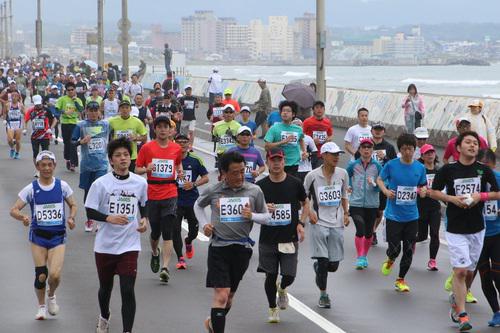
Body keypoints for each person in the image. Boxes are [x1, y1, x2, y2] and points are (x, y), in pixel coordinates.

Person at [194, 151, 270, 333]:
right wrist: (204, 225)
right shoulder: (215, 190)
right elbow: (198, 205)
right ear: (224, 173)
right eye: (235, 172)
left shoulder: (254, 190)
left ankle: (213, 322)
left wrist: (252, 215)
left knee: (229, 297)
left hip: (242, 248)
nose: (240, 176)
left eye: (242, 171)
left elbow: (267, 217)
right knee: (221, 295)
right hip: (219, 248)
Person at [430, 131, 498, 331]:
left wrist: (480, 197)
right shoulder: (448, 170)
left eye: (476, 143)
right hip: (455, 228)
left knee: (469, 273)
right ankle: (462, 314)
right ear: (458, 148)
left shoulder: (483, 170)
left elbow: (497, 192)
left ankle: (455, 298)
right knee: (459, 271)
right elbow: (434, 192)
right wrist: (452, 199)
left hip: (477, 228)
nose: (473, 146)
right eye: (468, 142)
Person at [84, 138, 148, 333]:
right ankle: (104, 316)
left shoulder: (140, 182)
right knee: (105, 289)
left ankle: (127, 330)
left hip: (129, 245)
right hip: (105, 245)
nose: (123, 159)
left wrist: (144, 219)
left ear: (131, 158)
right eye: (118, 156)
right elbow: (90, 211)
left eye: (126, 155)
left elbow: (144, 204)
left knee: (128, 290)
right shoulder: (101, 184)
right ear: (111, 160)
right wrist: (108, 218)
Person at [10, 150, 77, 320]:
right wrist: (23, 217)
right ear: (37, 166)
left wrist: (71, 217)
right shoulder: (31, 189)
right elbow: (14, 210)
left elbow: (73, 204)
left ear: (54, 166)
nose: (46, 168)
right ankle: (41, 307)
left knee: (54, 275)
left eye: (49, 165)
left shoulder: (62, 186)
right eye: (43, 165)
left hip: (58, 237)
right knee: (41, 275)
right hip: (38, 237)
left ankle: (52, 294)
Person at [256, 148, 309, 323]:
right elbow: (254, 211)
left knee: (289, 275)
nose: (276, 163)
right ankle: (272, 308)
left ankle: (283, 288)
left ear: (284, 161)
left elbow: (305, 202)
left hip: (289, 238)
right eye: (273, 160)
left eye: (279, 160)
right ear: (268, 162)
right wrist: (264, 209)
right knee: (270, 276)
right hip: (268, 239)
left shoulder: (295, 183)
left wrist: (301, 223)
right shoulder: (260, 186)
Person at [376, 133, 427, 292]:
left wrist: (423, 191)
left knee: (409, 249)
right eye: (404, 149)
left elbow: (423, 185)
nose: (407, 152)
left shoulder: (420, 167)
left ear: (414, 149)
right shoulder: (391, 165)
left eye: (410, 149)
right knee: (395, 249)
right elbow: (379, 179)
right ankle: (391, 258)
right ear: (400, 150)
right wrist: (385, 191)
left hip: (412, 216)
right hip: (393, 215)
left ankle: (401, 279)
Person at [135, 116, 183, 283]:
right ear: (154, 129)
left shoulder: (176, 148)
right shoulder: (147, 148)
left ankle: (165, 267)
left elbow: (178, 164)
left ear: (170, 130)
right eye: (160, 127)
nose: (163, 130)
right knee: (155, 232)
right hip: (152, 193)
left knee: (168, 231)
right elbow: (137, 169)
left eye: (166, 127)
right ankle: (155, 252)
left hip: (170, 192)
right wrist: (146, 168)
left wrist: (180, 170)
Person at [304, 142, 349, 308]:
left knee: (333, 265)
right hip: (318, 222)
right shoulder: (312, 176)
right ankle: (323, 295)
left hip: (336, 222)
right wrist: (310, 213)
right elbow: (304, 196)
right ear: (323, 156)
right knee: (323, 262)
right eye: (333, 154)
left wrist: (346, 213)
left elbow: (344, 195)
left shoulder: (343, 173)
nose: (337, 157)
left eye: (338, 154)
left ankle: (319, 267)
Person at [355, 121, 397, 246]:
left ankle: (372, 231)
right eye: (375, 129)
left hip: (383, 183)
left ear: (384, 131)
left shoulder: (389, 147)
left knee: (379, 210)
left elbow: (394, 165)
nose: (378, 131)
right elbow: (357, 159)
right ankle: (369, 231)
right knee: (367, 208)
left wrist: (384, 158)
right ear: (371, 130)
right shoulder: (366, 144)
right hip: (366, 182)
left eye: (380, 129)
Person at [71, 101, 110, 232]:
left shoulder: (105, 124)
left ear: (99, 111)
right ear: (86, 111)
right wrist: (80, 142)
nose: (93, 113)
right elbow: (71, 142)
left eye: (96, 110)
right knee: (88, 193)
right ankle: (90, 218)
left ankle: (100, 220)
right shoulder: (80, 125)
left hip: (102, 165)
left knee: (101, 192)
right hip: (87, 165)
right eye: (91, 111)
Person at [172, 134, 209, 269]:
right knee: (175, 230)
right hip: (175, 200)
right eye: (179, 142)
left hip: (192, 201)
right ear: (174, 143)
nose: (182, 144)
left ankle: (188, 241)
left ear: (189, 144)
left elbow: (206, 178)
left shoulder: (195, 160)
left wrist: (193, 184)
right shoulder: (169, 159)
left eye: (185, 142)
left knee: (193, 230)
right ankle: (180, 258)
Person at [346, 138, 382, 269]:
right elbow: (346, 176)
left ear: (372, 150)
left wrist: (375, 185)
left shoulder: (377, 166)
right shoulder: (353, 165)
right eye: (364, 147)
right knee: (360, 229)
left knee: (368, 233)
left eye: (369, 147)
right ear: (360, 150)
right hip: (356, 202)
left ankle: (364, 256)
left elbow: (384, 182)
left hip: (372, 204)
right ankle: (360, 257)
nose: (366, 149)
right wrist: (349, 186)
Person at [475, 149, 500, 327]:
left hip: (497, 234)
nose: (484, 171)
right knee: (485, 277)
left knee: (498, 276)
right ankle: (496, 312)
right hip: (478, 235)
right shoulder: (473, 180)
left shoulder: (498, 178)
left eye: (487, 167)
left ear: (494, 165)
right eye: (481, 167)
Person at [264, 100, 307, 179]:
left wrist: (304, 151)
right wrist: (283, 142)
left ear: (293, 114)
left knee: (291, 188)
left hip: (294, 163)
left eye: (288, 111)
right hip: (277, 163)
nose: (285, 113)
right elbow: (267, 146)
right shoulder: (274, 128)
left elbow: (301, 139)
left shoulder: (298, 129)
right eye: (283, 111)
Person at [416, 144, 442, 271]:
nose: (430, 155)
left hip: (435, 207)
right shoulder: (419, 170)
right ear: (422, 156)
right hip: (421, 206)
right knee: (421, 236)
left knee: (435, 233)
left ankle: (432, 261)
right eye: (427, 153)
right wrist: (420, 190)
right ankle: (409, 241)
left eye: (432, 152)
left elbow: (444, 186)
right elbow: (411, 185)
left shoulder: (439, 171)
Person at [108, 100, 148, 171]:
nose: (125, 110)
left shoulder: (137, 121)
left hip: (131, 156)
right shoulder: (112, 121)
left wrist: (136, 138)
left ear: (130, 109)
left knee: (130, 178)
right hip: (117, 155)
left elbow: (145, 137)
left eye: (127, 107)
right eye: (122, 108)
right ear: (119, 109)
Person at [24, 95, 57, 177]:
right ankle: (38, 170)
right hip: (34, 136)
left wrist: (51, 128)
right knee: (35, 154)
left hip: (45, 136)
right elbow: (26, 120)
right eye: (36, 104)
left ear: (41, 102)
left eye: (39, 104)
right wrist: (24, 129)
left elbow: (55, 119)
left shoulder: (47, 110)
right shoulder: (31, 111)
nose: (38, 106)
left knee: (45, 153)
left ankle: (46, 170)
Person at [55, 82, 84, 171]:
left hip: (75, 123)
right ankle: (67, 159)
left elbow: (81, 109)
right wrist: (64, 112)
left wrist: (75, 101)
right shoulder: (62, 99)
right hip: (65, 123)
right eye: (69, 90)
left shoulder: (78, 100)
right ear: (66, 91)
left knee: (73, 143)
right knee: (67, 143)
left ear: (75, 90)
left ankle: (73, 163)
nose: (71, 91)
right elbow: (56, 109)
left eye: (72, 90)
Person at [303, 100, 333, 167]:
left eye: (321, 108)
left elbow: (330, 135)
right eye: (317, 107)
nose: (319, 110)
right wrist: (311, 141)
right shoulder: (307, 122)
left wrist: (328, 139)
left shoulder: (327, 122)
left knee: (319, 173)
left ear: (324, 110)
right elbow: (301, 136)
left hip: (322, 153)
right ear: (313, 110)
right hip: (309, 152)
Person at [212, 104, 241, 168]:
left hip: (234, 153)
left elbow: (241, 142)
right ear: (223, 113)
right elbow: (213, 138)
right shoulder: (216, 125)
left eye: (231, 112)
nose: (228, 114)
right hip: (221, 154)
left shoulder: (238, 126)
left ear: (234, 114)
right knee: (222, 175)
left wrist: (232, 136)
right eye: (226, 112)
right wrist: (216, 139)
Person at [292, 118, 318, 183]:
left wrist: (308, 154)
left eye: (299, 125)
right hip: (293, 168)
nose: (297, 127)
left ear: (302, 127)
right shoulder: (288, 138)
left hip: (306, 169)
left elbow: (315, 152)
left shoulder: (308, 138)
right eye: (295, 125)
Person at [4, 91, 25, 159]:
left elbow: (25, 114)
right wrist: (4, 119)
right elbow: (4, 113)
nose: (14, 97)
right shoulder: (7, 105)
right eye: (12, 96)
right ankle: (12, 148)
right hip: (10, 123)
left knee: (17, 141)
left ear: (18, 97)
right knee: (10, 140)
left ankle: (17, 153)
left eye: (15, 96)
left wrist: (25, 125)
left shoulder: (20, 105)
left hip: (18, 123)